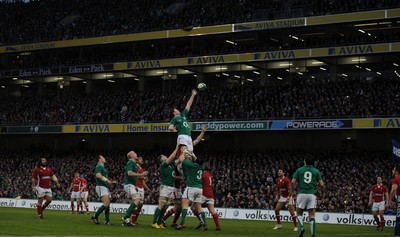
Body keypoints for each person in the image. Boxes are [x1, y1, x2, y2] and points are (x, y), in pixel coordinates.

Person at [162, 125, 208, 227]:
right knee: (180, 206)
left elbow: (197, 141)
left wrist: (203, 132)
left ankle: (174, 221)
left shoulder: (189, 148)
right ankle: (164, 219)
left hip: (188, 180)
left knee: (188, 206)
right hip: (178, 183)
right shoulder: (180, 148)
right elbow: (177, 163)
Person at [291, 155, 324, 237]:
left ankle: (302, 227)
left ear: (304, 161)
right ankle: (313, 234)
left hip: (301, 193)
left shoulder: (299, 170)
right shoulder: (316, 171)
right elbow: (322, 184)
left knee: (299, 213)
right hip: (312, 194)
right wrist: (321, 193)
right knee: (312, 215)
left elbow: (292, 182)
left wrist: (293, 191)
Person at [175, 152, 207, 231]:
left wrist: (183, 152)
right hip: (199, 189)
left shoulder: (191, 165)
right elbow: (198, 161)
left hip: (191, 187)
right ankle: (205, 224)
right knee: (199, 207)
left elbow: (182, 159)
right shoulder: (202, 167)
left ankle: (182, 223)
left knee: (185, 204)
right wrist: (193, 155)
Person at [152, 146, 178, 229]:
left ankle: (159, 223)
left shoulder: (171, 165)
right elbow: (172, 156)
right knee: (161, 204)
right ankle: (154, 223)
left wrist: (184, 151)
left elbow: (180, 160)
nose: (164, 155)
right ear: (161, 159)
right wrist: (177, 147)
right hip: (165, 187)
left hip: (171, 187)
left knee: (165, 206)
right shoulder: (163, 165)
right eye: (163, 156)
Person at [192, 162, 221, 231]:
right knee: (212, 211)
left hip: (203, 194)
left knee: (193, 207)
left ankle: (202, 222)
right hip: (210, 194)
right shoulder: (209, 174)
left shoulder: (202, 173)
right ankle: (218, 226)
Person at [122, 151, 148, 226]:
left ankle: (126, 220)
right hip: (129, 185)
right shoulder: (131, 162)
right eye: (135, 153)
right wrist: (141, 174)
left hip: (131, 185)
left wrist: (142, 177)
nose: (136, 154)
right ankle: (125, 217)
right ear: (131, 156)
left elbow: (134, 175)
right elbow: (129, 173)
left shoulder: (133, 164)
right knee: (137, 200)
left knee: (136, 204)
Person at [169, 89, 198, 154]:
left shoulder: (183, 114)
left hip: (189, 136)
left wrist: (193, 95)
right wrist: (176, 130)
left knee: (190, 153)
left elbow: (188, 104)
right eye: (176, 110)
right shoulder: (175, 119)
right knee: (185, 152)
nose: (178, 110)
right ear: (174, 113)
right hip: (182, 135)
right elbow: (170, 127)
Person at [91, 155, 116, 225]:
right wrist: (107, 180)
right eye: (103, 157)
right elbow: (98, 175)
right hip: (101, 187)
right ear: (99, 159)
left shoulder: (102, 167)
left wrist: (110, 182)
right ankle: (95, 216)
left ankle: (107, 221)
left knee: (107, 204)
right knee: (106, 203)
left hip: (105, 187)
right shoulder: (99, 166)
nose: (105, 158)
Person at [130, 156, 151, 225]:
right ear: (137, 160)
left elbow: (142, 181)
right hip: (137, 187)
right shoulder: (135, 167)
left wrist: (147, 188)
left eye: (142, 159)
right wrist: (143, 176)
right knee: (136, 204)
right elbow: (134, 176)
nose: (142, 160)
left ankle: (135, 220)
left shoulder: (141, 169)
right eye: (140, 159)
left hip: (141, 188)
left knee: (140, 205)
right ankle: (132, 221)